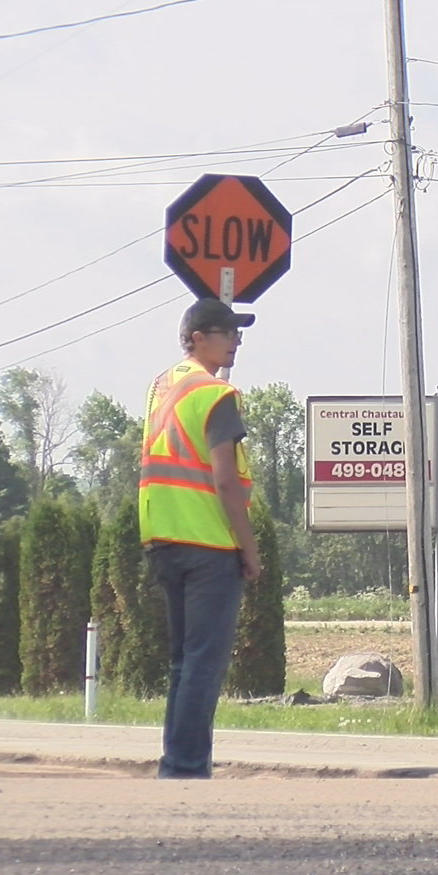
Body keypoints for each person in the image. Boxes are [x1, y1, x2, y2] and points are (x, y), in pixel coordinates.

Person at [139, 298, 262, 779]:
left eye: (238, 333)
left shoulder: (162, 387)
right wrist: (249, 549)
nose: (236, 341)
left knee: (182, 664)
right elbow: (226, 481)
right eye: (227, 332)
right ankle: (187, 767)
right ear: (197, 338)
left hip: (163, 538)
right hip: (208, 541)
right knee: (203, 665)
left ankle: (179, 760)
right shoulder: (216, 395)